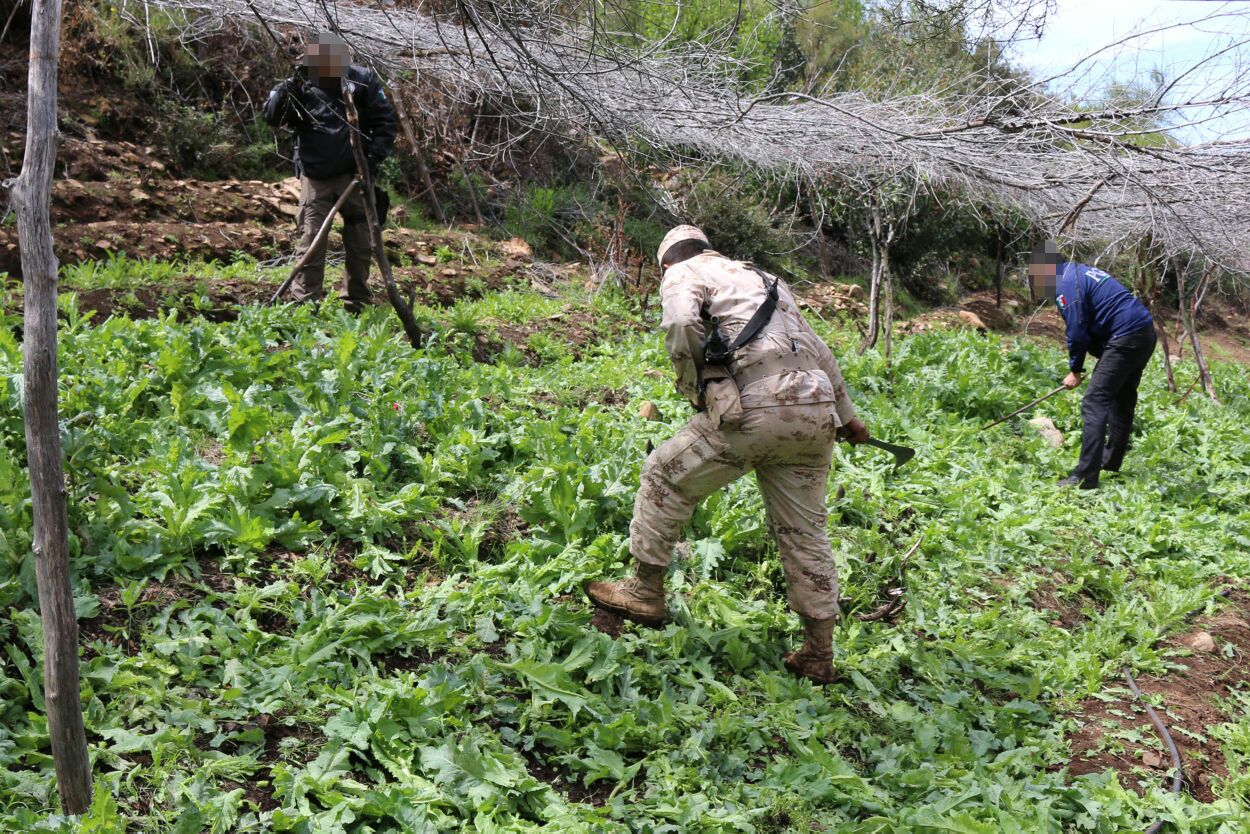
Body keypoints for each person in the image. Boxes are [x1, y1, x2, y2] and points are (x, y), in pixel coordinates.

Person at [586, 226, 869, 684]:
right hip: (814, 410)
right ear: (708, 246)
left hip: (757, 405)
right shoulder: (763, 277)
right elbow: (817, 347)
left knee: (663, 475)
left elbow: (680, 323)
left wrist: (699, 384)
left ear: (666, 263)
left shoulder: (684, 273)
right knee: (805, 531)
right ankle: (819, 653)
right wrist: (847, 415)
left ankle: (643, 592)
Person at [262, 33, 397, 313]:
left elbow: (385, 122)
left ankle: (355, 303)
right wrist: (289, 88)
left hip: (356, 175)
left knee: (361, 243)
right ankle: (304, 306)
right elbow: (272, 117)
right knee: (311, 240)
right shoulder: (303, 82)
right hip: (316, 175)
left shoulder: (362, 79)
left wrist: (370, 161)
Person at [1029, 241, 1156, 489]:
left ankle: (1085, 477)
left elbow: (1077, 332)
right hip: (1144, 334)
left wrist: (1075, 370)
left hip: (1126, 337)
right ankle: (1110, 461)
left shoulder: (1066, 283)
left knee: (1094, 402)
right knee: (1122, 398)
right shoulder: (1078, 271)